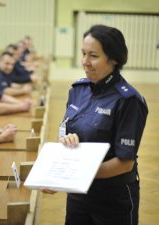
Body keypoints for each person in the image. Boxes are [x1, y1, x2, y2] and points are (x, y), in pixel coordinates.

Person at [44, 24, 148, 225]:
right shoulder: (78, 90)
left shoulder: (128, 100)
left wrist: (71, 177)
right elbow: (64, 130)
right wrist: (66, 141)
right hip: (78, 195)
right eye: (83, 53)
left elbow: (125, 163)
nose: (85, 62)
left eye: (93, 56)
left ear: (114, 58)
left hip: (113, 198)